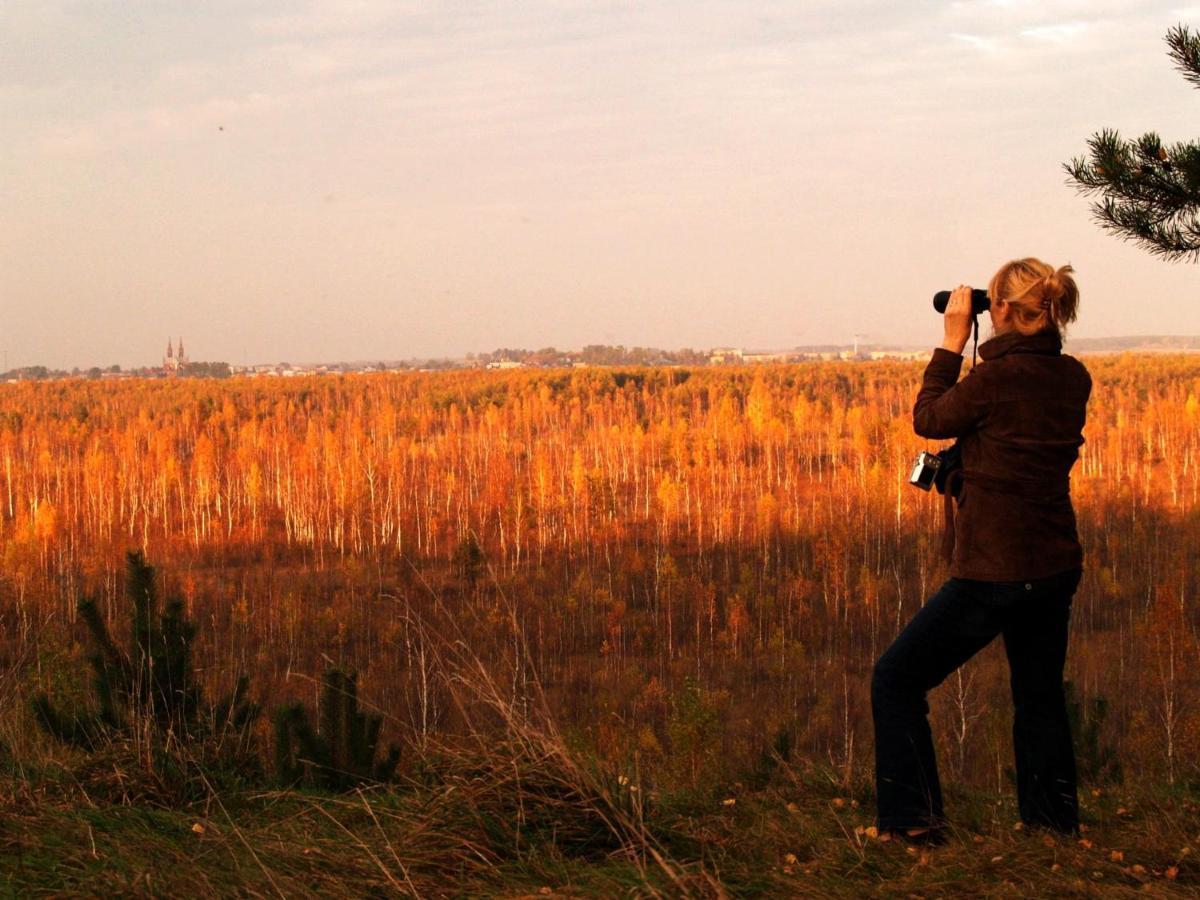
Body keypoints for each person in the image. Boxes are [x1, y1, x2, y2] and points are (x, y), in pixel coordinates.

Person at [871, 258, 1092, 843]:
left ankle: (914, 823)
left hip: (995, 569)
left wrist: (950, 340)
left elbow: (928, 418)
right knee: (1038, 696)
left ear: (1002, 313)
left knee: (896, 680)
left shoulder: (994, 381)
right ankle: (1051, 827)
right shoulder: (1074, 377)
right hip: (1053, 565)